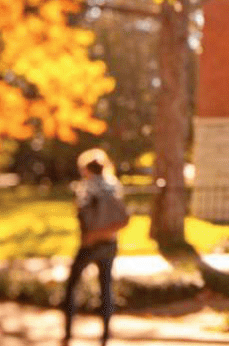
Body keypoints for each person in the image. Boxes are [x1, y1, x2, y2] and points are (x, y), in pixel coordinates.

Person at [62, 148, 128, 346]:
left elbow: (82, 215)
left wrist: (89, 235)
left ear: (86, 169)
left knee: (72, 285)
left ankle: (68, 332)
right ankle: (106, 335)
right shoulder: (114, 186)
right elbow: (122, 217)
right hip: (110, 241)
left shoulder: (87, 187)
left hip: (90, 243)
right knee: (106, 287)